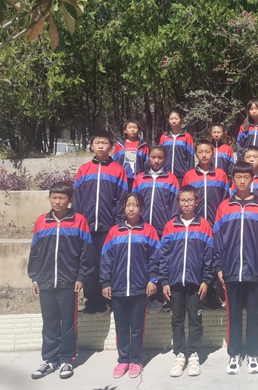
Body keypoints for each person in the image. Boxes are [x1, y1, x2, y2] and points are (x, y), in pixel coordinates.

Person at [213, 161, 258, 375]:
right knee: (233, 315)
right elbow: (217, 239)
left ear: (252, 179)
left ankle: (253, 354)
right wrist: (219, 266)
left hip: (254, 268)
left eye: (246, 177)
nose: (242, 181)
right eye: (238, 177)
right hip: (230, 269)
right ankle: (234, 354)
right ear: (233, 179)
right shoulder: (224, 207)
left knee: (253, 315)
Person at [28, 182, 94, 380]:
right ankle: (50, 359)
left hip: (68, 281)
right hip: (46, 281)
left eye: (62, 198)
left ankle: (67, 359)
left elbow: (86, 251)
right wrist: (35, 277)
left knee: (68, 323)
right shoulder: (41, 221)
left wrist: (81, 276)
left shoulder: (79, 221)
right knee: (49, 322)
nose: (57, 202)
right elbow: (35, 251)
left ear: (70, 199)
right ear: (49, 198)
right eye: (54, 197)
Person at [100, 193, 160, 379]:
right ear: (123, 207)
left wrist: (153, 279)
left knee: (137, 327)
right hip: (118, 288)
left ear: (142, 208)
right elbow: (106, 258)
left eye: (136, 205)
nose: (131, 208)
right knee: (121, 327)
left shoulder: (149, 230)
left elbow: (155, 258)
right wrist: (105, 282)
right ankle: (123, 360)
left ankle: (135, 360)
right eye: (128, 205)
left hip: (139, 288)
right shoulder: (114, 231)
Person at [160, 186, 214, 377]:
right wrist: (164, 281)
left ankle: (193, 354)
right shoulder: (170, 226)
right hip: (174, 282)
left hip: (196, 283)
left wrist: (206, 280)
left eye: (190, 200)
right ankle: (180, 354)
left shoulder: (204, 225)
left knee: (195, 319)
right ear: (178, 203)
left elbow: (209, 256)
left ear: (196, 202)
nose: (187, 204)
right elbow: (163, 255)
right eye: (183, 200)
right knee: (176, 319)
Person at [72, 130, 128, 314]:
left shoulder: (118, 170)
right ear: (91, 146)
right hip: (87, 226)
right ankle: (94, 302)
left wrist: (117, 223)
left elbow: (122, 199)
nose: (101, 146)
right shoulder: (84, 170)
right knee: (89, 264)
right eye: (97, 143)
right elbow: (77, 198)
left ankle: (110, 299)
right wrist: (78, 222)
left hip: (108, 226)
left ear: (111, 146)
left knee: (109, 263)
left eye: (105, 143)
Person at [131, 145, 179, 239]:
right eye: (153, 157)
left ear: (165, 158)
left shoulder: (171, 178)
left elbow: (175, 204)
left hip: (163, 227)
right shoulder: (140, 178)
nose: (156, 161)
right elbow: (134, 202)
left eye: (160, 157)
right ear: (148, 157)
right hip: (141, 227)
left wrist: (172, 224)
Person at [182, 140, 229, 226]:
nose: (204, 155)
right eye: (200, 152)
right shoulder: (189, 175)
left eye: (207, 152)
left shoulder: (221, 175)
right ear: (196, 154)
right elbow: (184, 200)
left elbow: (225, 200)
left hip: (216, 222)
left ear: (213, 154)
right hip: (195, 223)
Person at [159, 109, 195, 184]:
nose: (174, 121)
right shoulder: (164, 137)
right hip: (166, 174)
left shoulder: (187, 137)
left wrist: (190, 174)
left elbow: (190, 157)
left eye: (176, 118)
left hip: (181, 175)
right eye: (171, 119)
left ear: (181, 120)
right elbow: (160, 155)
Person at [113, 119, 149, 191]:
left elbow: (147, 162)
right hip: (122, 178)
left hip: (137, 178)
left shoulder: (143, 145)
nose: (132, 130)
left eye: (135, 127)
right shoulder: (119, 145)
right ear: (125, 130)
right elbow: (114, 161)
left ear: (138, 130)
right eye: (130, 127)